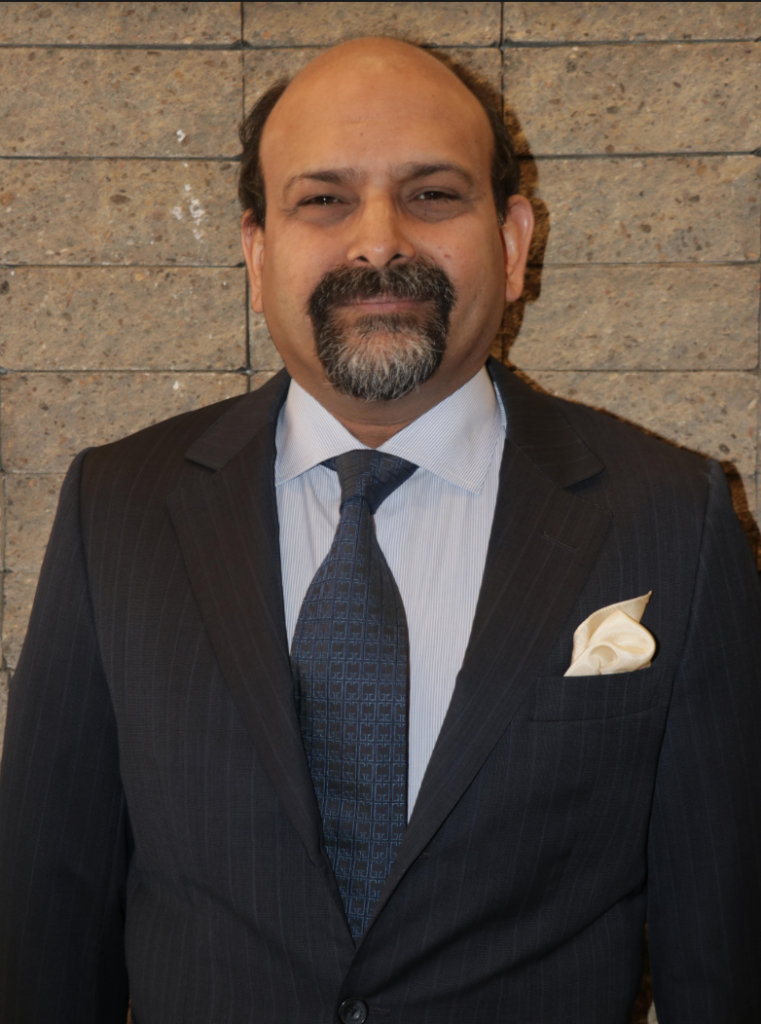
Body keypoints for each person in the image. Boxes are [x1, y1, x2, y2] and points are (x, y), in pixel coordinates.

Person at [0, 36, 759, 1024]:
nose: (377, 242)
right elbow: (45, 925)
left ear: (513, 242)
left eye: (431, 195)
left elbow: (727, 948)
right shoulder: (117, 507)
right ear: (257, 252)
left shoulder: (670, 517)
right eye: (323, 199)